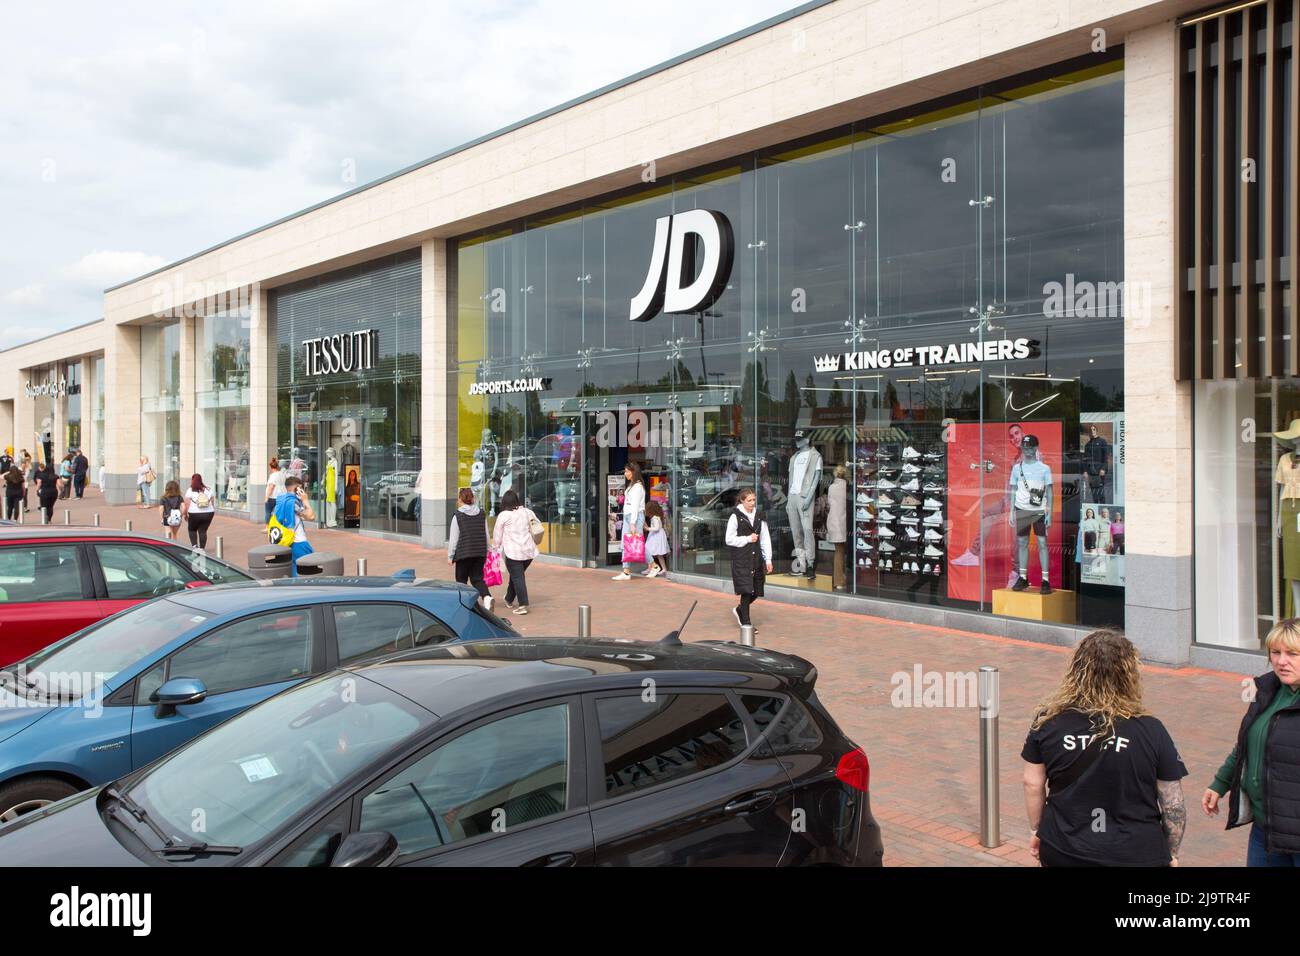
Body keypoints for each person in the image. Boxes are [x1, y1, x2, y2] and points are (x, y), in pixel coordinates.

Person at [1022, 629, 1188, 867]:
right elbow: (1173, 803)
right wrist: (1172, 852)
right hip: (1136, 854)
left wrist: (1038, 830)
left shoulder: (1048, 721)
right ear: (1129, 675)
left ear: (1076, 671)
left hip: (1064, 848)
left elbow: (1032, 783)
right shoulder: (1152, 730)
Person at [1203, 618, 1300, 865]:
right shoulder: (1267, 690)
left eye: (1292, 653)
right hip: (1265, 828)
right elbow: (1246, 744)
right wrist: (1220, 783)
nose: (1281, 661)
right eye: (1275, 652)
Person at [725, 487, 772, 628]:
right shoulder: (735, 516)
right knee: (747, 590)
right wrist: (747, 539)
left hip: (757, 558)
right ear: (742, 501)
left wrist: (768, 559)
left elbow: (765, 539)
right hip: (742, 558)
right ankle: (746, 623)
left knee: (757, 590)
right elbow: (729, 539)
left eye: (754, 500)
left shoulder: (759, 515)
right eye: (749, 500)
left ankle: (740, 610)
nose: (752, 503)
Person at [491, 489, 538, 615]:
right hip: (529, 552)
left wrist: (495, 548)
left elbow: (497, 535)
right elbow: (537, 526)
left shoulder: (504, 515)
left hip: (513, 552)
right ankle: (509, 599)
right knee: (517, 575)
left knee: (518, 577)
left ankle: (523, 605)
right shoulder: (528, 512)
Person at [446, 487, 492, 610]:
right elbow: (486, 534)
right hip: (480, 552)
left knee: (461, 580)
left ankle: (466, 605)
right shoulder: (481, 513)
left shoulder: (458, 515)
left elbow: (454, 538)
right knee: (477, 578)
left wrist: (450, 556)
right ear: (473, 499)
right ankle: (487, 597)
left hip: (464, 553)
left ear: (460, 499)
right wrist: (488, 550)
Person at [272, 476, 316, 575]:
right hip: (298, 542)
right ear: (297, 489)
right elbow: (311, 516)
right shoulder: (293, 502)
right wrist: (305, 501)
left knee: (293, 571)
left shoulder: (280, 501)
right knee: (309, 571)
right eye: (301, 489)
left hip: (285, 542)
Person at [612, 462, 646, 581]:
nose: (625, 473)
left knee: (636, 543)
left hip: (633, 517)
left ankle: (654, 565)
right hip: (628, 516)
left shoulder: (637, 487)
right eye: (625, 471)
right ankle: (626, 572)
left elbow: (636, 506)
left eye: (627, 471)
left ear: (633, 471)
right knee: (626, 544)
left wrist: (632, 523)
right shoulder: (632, 485)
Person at [827, 464, 849, 591]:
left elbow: (830, 504)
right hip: (844, 522)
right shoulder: (847, 487)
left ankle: (840, 579)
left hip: (834, 522)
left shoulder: (832, 487)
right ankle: (839, 579)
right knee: (842, 552)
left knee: (839, 551)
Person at [181, 473, 216, 550]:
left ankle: (195, 546)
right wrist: (212, 510)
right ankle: (202, 549)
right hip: (208, 513)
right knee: (203, 531)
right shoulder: (208, 489)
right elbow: (212, 502)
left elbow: (186, 503)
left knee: (192, 529)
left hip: (194, 513)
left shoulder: (190, 490)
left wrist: (186, 514)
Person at [644, 499, 670, 578]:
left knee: (650, 552)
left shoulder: (655, 518)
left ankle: (652, 568)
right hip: (656, 536)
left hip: (656, 536)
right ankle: (661, 569)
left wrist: (648, 528)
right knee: (657, 554)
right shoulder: (657, 517)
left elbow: (657, 528)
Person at [34, 458, 60, 523]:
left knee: (43, 506)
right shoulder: (55, 476)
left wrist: (37, 490)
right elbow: (60, 484)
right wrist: (61, 491)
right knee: (50, 507)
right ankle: (49, 520)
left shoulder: (41, 475)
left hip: (44, 492)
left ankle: (44, 519)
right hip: (54, 492)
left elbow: (39, 483)